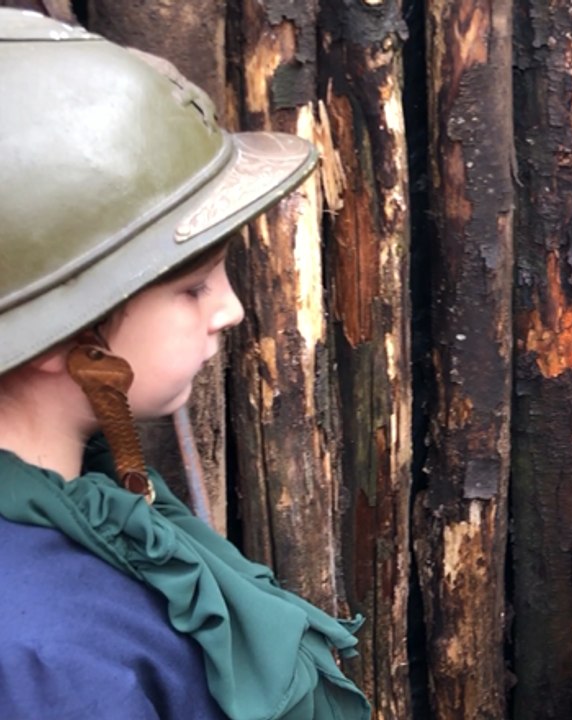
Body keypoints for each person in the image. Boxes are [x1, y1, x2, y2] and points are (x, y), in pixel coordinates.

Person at [0, 9, 369, 719]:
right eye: (193, 287)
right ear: (58, 334)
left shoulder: (86, 494)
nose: (230, 309)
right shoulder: (54, 659)